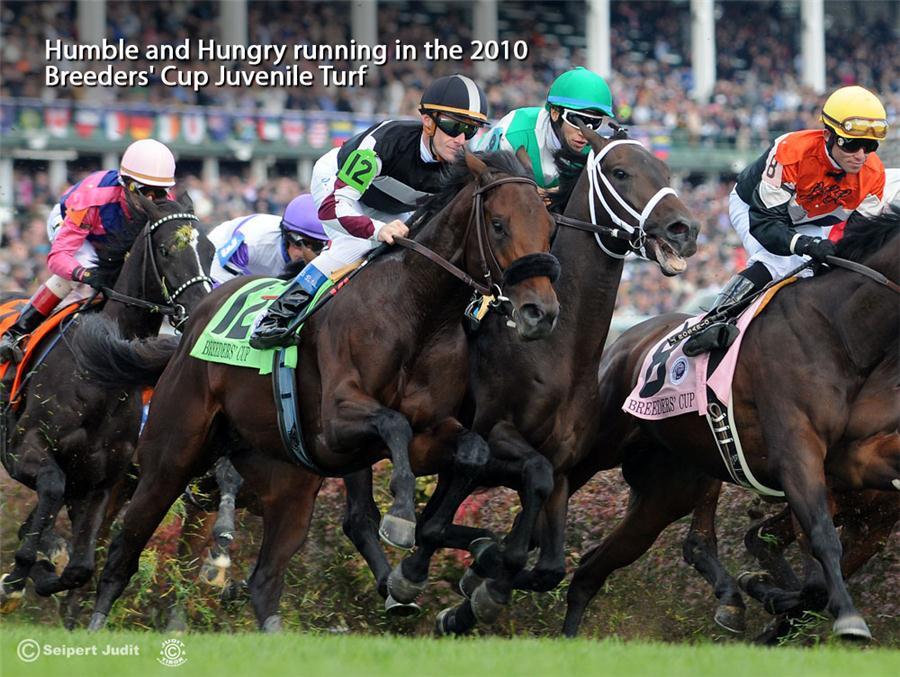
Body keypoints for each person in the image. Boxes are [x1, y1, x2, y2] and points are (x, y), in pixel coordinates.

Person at [249, 74, 489, 349]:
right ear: (428, 121)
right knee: (354, 246)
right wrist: (376, 229)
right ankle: (276, 315)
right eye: (453, 125)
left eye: (470, 130)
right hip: (339, 188)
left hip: (390, 207)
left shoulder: (459, 165)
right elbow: (331, 209)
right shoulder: (385, 142)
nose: (460, 139)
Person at [683, 85, 888, 356]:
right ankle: (713, 320)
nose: (860, 155)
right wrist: (804, 244)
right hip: (755, 209)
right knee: (775, 261)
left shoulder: (874, 174)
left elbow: (857, 237)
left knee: (821, 272)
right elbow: (765, 225)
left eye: (869, 146)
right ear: (828, 135)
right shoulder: (791, 151)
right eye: (850, 144)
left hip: (811, 218)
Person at [0, 138, 178, 364]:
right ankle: (16, 333)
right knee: (82, 270)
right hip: (73, 225)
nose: (151, 200)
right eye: (144, 191)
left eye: (160, 192)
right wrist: (85, 274)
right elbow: (58, 257)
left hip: (112, 235)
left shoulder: (165, 203)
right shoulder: (92, 198)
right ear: (126, 184)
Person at [474, 66, 615, 191]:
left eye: (594, 123)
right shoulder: (513, 135)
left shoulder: (594, 150)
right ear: (554, 113)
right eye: (577, 120)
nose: (585, 132)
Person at [207, 194, 329, 284]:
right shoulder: (253, 242)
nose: (306, 253)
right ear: (285, 236)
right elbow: (219, 286)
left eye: (316, 246)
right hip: (222, 254)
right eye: (299, 243)